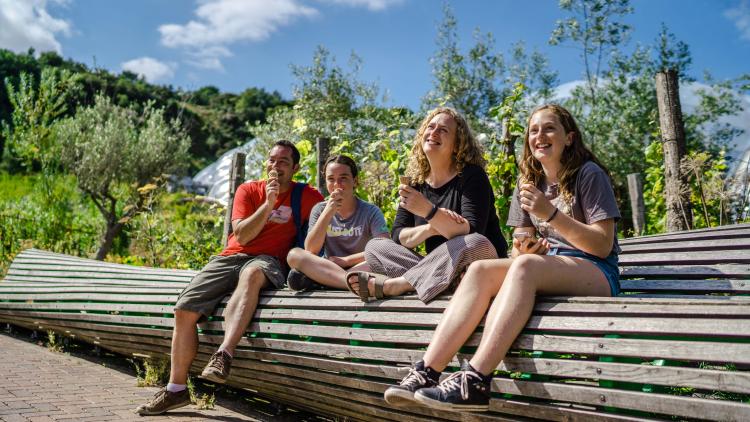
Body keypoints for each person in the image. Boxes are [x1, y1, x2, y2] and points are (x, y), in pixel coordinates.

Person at [383, 104, 621, 411]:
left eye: (549, 129)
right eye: (533, 131)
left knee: (524, 266)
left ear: (569, 138)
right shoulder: (529, 181)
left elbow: (602, 245)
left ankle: (475, 380)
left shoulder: (589, 175)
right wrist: (525, 248)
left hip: (597, 272)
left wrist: (549, 215)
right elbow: (518, 247)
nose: (540, 136)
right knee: (481, 269)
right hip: (549, 267)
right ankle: (427, 371)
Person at [136, 140, 323, 416]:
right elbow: (242, 235)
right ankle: (176, 390)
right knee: (183, 309)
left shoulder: (306, 196)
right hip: (230, 256)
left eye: (283, 162)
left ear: (295, 167)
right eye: (272, 160)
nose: (276, 166)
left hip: (268, 260)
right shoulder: (248, 190)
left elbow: (337, 214)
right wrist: (268, 204)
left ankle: (223, 354)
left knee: (252, 275)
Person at [346, 107, 508, 303]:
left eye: (443, 130)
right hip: (441, 265)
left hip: (481, 260)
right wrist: (432, 228)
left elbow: (473, 231)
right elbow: (398, 236)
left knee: (475, 242)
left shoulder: (472, 175)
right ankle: (444, 282)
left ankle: (397, 285)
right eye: (430, 127)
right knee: (375, 246)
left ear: (457, 145)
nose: (433, 133)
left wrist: (429, 211)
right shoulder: (416, 183)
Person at [286, 154, 389, 290]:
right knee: (294, 255)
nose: (337, 185)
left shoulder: (371, 211)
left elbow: (384, 248)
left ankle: (328, 281)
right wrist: (328, 211)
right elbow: (311, 249)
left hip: (361, 265)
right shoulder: (320, 209)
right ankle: (352, 283)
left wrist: (346, 260)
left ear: (355, 181)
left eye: (343, 178)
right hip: (331, 268)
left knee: (381, 261)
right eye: (331, 179)